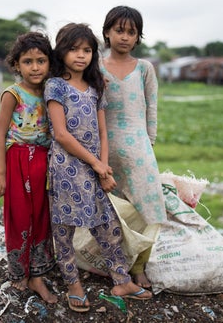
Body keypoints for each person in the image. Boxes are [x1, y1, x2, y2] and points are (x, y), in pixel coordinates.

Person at [44, 22, 152, 313]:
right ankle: (73, 285)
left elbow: (103, 132)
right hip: (66, 169)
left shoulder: (95, 86)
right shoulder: (55, 86)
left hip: (94, 168)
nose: (81, 56)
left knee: (107, 225)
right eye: (74, 49)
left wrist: (103, 167)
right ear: (61, 52)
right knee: (64, 229)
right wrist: (96, 164)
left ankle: (121, 280)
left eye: (87, 50)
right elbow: (62, 134)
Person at [100, 6, 167, 289]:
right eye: (119, 30)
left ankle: (140, 267)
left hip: (139, 148)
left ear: (138, 37)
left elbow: (152, 106)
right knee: (112, 210)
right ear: (107, 33)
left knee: (149, 207)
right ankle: (113, 265)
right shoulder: (96, 66)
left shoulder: (145, 68)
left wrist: (149, 143)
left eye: (131, 32)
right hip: (105, 149)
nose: (125, 37)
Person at [0, 31, 57, 304]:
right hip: (17, 159)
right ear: (17, 64)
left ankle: (38, 275)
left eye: (41, 60)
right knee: (19, 216)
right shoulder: (13, 94)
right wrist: (0, 173)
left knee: (41, 215)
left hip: (43, 159)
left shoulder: (51, 91)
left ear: (49, 63)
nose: (35, 67)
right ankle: (19, 272)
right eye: (28, 61)